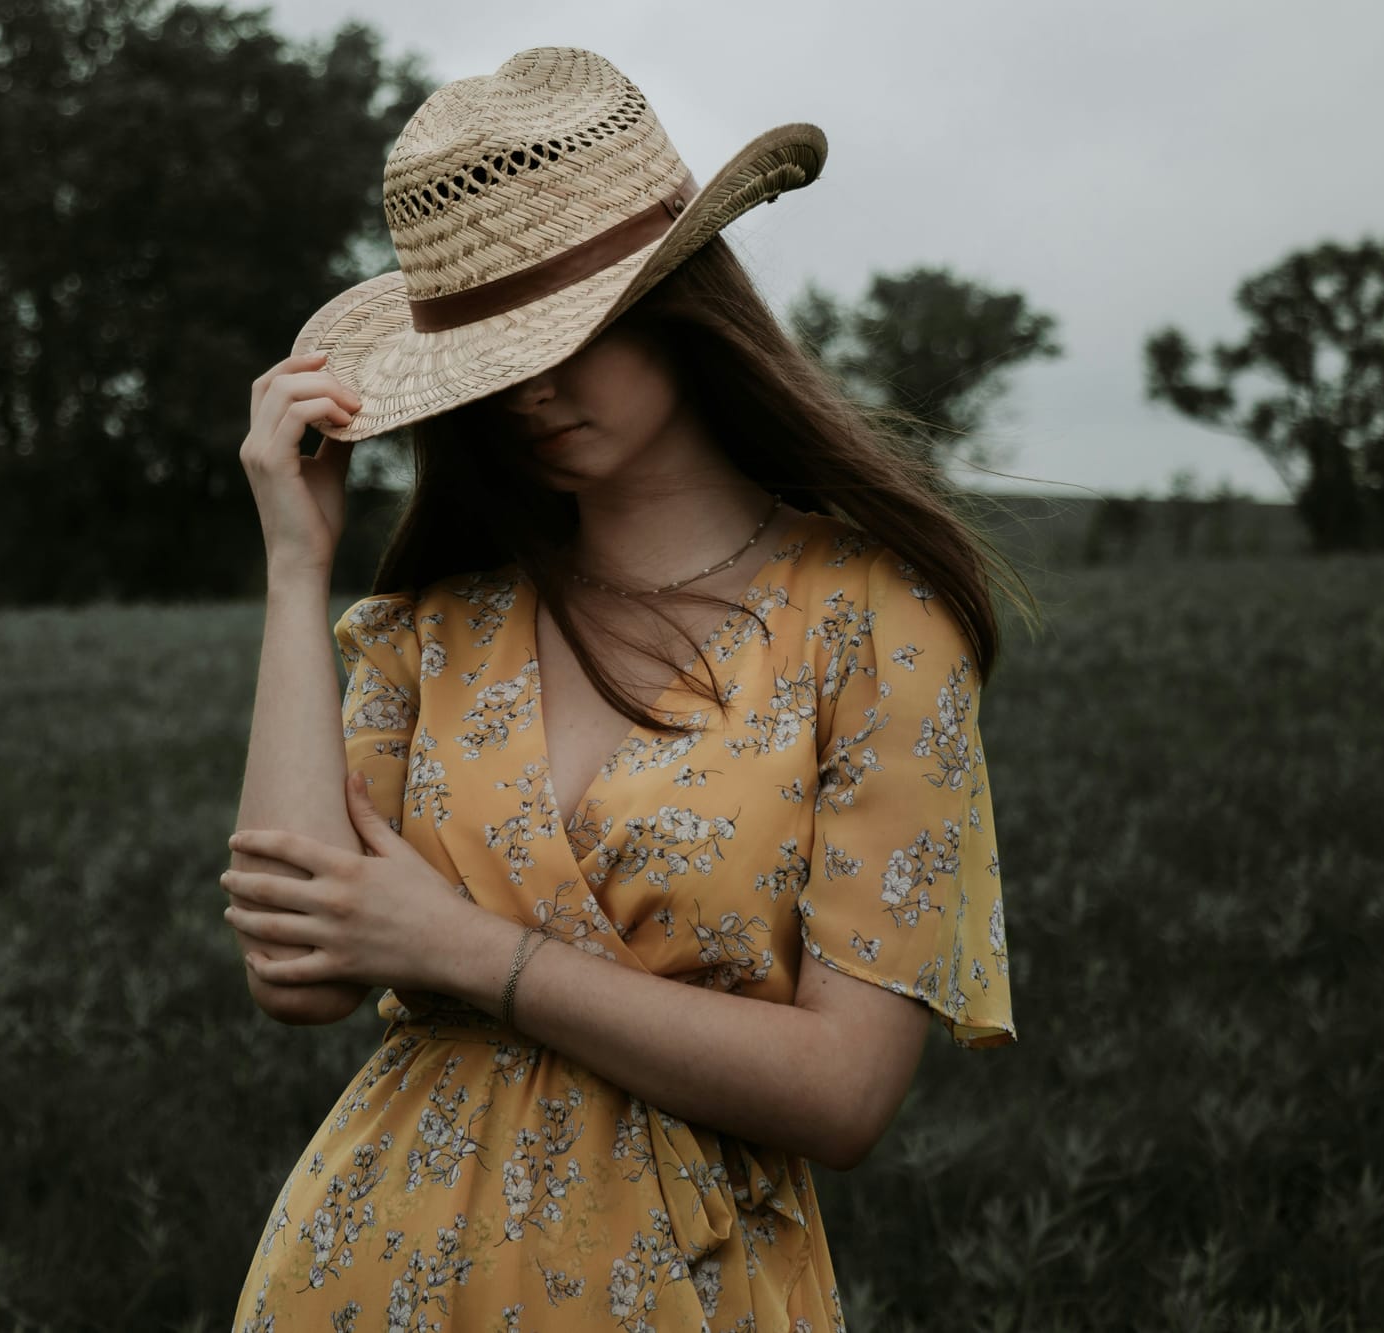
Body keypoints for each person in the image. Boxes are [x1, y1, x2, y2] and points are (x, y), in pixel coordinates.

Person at [220, 46, 1025, 1332]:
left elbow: (843, 1092)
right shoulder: (433, 632)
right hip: (367, 1276)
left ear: (680, 298)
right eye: (489, 349)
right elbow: (294, 968)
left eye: (569, 324)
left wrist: (459, 949)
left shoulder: (872, 624)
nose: (532, 385)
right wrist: (293, 563)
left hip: (683, 1291)